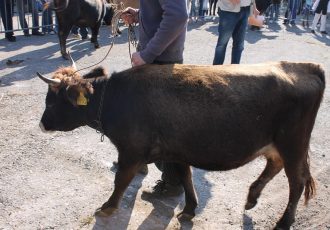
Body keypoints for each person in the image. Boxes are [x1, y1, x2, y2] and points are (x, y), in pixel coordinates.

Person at [120, 0, 188, 196]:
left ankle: (173, 182)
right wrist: (140, 14)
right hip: (159, 58)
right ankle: (140, 161)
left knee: (163, 126)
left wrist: (147, 54)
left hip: (161, 60)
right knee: (147, 119)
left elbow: (178, 16)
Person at [213, 0, 259, 65]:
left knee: (239, 45)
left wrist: (254, 7)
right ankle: (216, 70)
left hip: (246, 9)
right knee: (222, 43)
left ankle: (234, 70)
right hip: (228, 10)